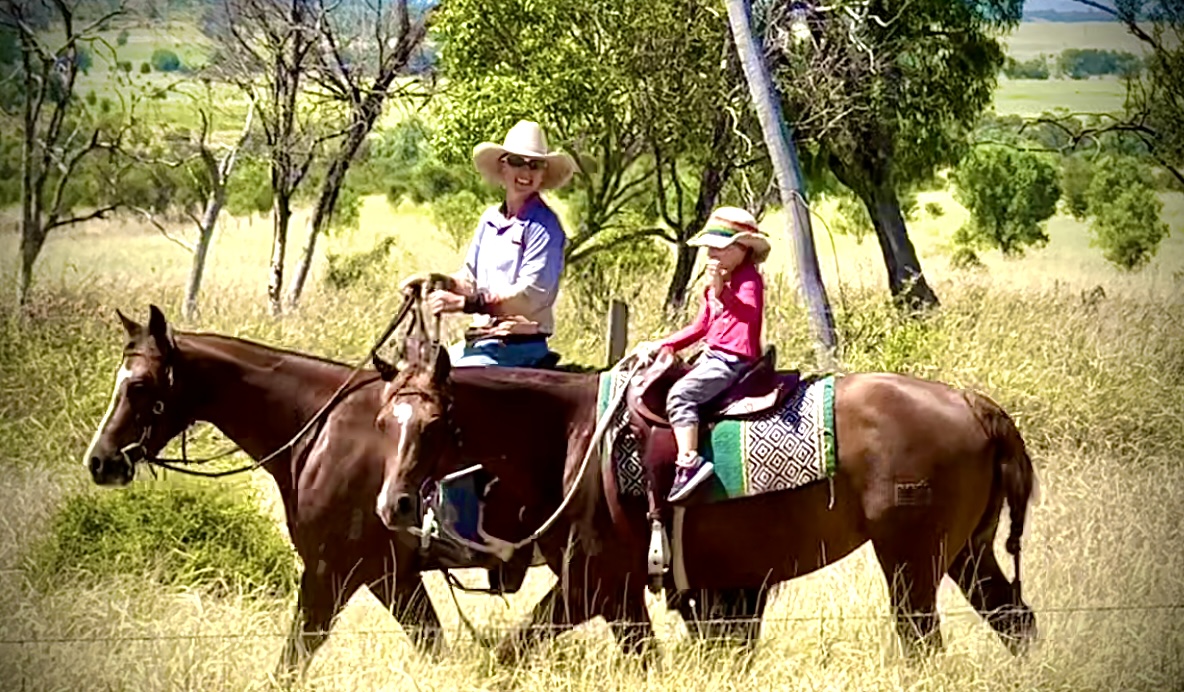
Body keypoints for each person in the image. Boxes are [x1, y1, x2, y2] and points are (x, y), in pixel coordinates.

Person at [400, 120, 576, 367]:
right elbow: (470, 280)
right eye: (517, 161)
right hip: (483, 341)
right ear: (503, 167)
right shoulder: (490, 219)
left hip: (520, 347)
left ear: (542, 173)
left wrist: (463, 304)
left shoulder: (545, 226)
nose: (525, 172)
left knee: (451, 381)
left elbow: (529, 295)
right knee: (420, 370)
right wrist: (438, 282)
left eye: (535, 165)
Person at [636, 207, 770, 502]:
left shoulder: (748, 280)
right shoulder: (712, 287)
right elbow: (700, 327)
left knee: (681, 395)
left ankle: (689, 462)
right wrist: (663, 344)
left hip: (733, 359)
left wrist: (723, 292)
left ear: (743, 249)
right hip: (711, 355)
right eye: (709, 247)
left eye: (720, 247)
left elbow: (748, 315)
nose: (712, 254)